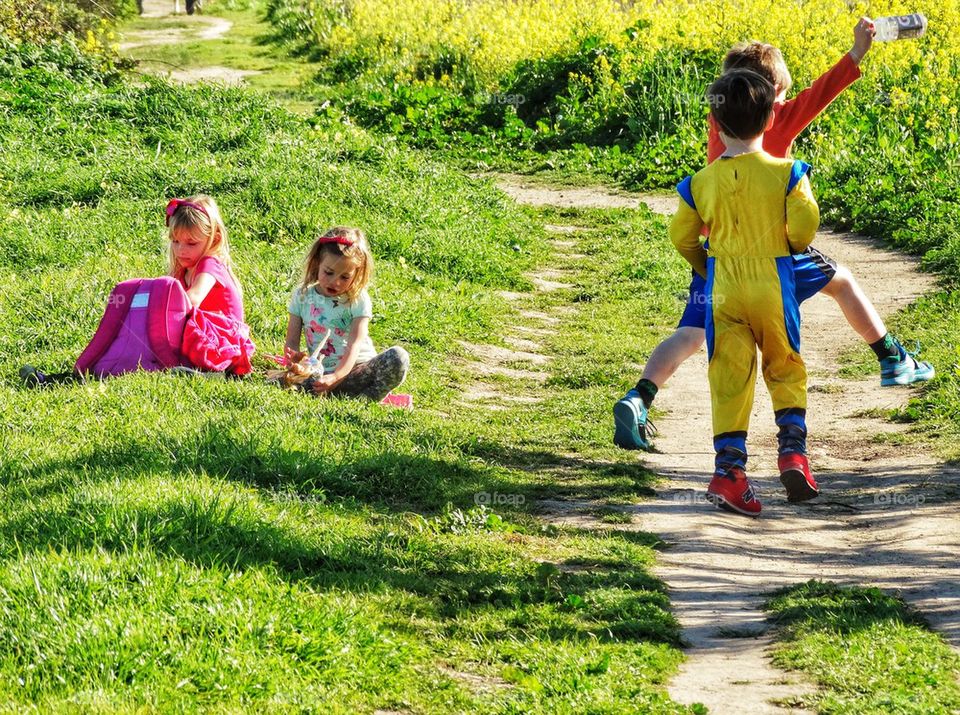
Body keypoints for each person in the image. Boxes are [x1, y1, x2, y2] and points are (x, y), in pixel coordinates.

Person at [614, 18, 934, 451]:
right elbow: (821, 94)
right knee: (842, 282)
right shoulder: (773, 120)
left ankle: (640, 397)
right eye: (780, 95)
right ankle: (892, 358)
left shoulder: (721, 121)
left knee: (692, 333)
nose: (784, 102)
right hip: (774, 255)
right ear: (766, 102)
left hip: (719, 255)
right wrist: (857, 52)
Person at [670, 69, 821, 516]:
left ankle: (730, 472)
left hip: (724, 285)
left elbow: (681, 235)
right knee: (785, 363)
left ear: (715, 126)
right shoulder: (788, 172)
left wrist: (708, 266)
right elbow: (805, 222)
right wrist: (791, 246)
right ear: (771, 120)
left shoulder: (700, 182)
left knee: (729, 375)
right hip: (773, 282)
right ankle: (793, 452)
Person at [20, 194, 253, 385]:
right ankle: (73, 375)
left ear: (213, 240)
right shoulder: (184, 269)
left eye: (191, 243)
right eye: (175, 241)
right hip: (200, 337)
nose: (181, 250)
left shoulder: (209, 264)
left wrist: (158, 301)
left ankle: (211, 374)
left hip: (221, 342)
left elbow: (192, 299)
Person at [283, 227, 409, 401]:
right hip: (321, 375)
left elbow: (354, 346)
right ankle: (338, 396)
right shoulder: (303, 296)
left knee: (398, 357)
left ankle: (366, 399)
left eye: (345, 277)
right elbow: (291, 341)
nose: (335, 282)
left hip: (356, 372)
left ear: (357, 274)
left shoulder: (357, 299)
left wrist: (336, 377)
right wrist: (296, 362)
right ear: (316, 263)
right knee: (290, 382)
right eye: (329, 272)